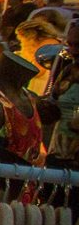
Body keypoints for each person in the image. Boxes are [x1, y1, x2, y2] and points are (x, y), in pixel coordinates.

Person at [49, 22, 79, 165]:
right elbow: (53, 103)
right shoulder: (68, 70)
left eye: (78, 45)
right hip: (60, 155)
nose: (73, 50)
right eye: (70, 44)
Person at [15, 18, 62, 95]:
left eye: (21, 40)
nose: (21, 43)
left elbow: (37, 70)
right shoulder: (51, 43)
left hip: (42, 89)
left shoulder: (46, 46)